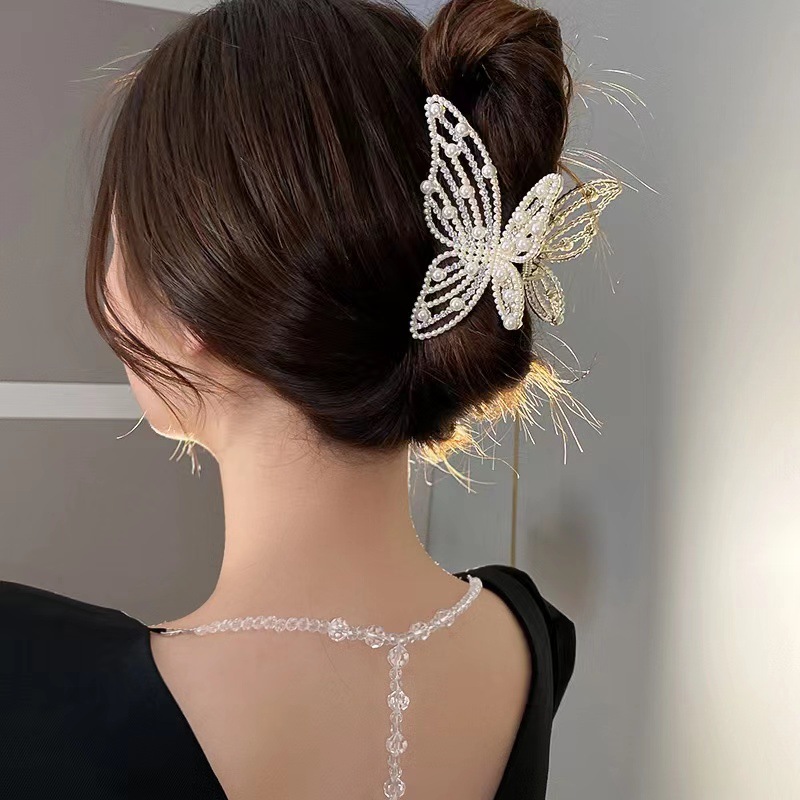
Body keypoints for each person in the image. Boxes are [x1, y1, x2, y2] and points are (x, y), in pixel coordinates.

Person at [0, 0, 586, 796]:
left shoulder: (34, 684)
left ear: (191, 304)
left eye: (123, 240)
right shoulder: (529, 638)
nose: (109, 281)